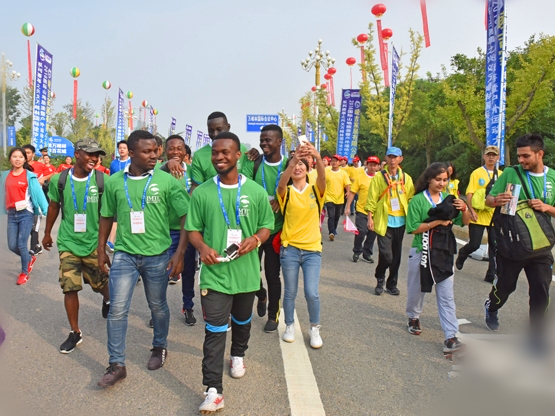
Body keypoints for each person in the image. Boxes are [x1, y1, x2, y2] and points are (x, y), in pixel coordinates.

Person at [185, 132, 273, 414]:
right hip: (214, 274)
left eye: (225, 152)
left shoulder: (256, 192)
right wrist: (201, 247)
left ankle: (238, 354)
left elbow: (266, 226)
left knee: (242, 321)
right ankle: (213, 390)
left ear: (238, 155)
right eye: (215, 153)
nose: (219, 157)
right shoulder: (202, 192)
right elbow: (192, 230)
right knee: (214, 331)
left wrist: (256, 240)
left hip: (246, 274)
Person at [96, 130, 189, 388]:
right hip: (125, 254)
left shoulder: (168, 181)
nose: (154, 155)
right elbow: (106, 215)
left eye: (155, 151)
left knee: (157, 306)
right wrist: (101, 247)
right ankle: (117, 364)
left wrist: (179, 253)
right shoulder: (115, 181)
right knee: (117, 309)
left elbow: (186, 217)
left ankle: (159, 346)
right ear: (132, 153)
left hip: (157, 256)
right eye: (147, 151)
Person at [484, 134, 555, 349]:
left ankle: (536, 336)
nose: (521, 160)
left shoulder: (552, 178)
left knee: (541, 289)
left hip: (540, 245)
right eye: (519, 156)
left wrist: (547, 208)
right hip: (512, 244)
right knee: (505, 287)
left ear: (539, 154)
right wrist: (497, 200)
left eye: (526, 156)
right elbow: (488, 200)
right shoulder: (510, 173)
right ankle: (492, 306)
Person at [42, 139, 111, 354]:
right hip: (68, 242)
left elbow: (109, 214)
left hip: (93, 243)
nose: (95, 158)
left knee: (100, 283)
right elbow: (54, 206)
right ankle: (75, 332)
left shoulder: (103, 180)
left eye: (97, 155)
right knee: (69, 287)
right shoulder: (59, 180)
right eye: (90, 154)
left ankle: (108, 300)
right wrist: (46, 233)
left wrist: (104, 246)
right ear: (78, 153)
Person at [405, 162, 470, 354]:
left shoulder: (450, 199)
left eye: (445, 180)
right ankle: (413, 316)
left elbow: (464, 222)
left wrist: (464, 208)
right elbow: (413, 228)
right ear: (429, 179)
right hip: (421, 250)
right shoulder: (417, 200)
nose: (442, 183)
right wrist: (438, 222)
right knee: (417, 290)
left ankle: (451, 337)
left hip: (443, 252)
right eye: (438, 179)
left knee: (447, 296)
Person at [277, 142, 326, 348]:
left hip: (312, 250)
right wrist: (295, 158)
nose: (297, 168)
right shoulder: (285, 192)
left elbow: (323, 177)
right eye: (294, 165)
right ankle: (289, 325)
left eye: (302, 165)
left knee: (311, 292)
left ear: (308, 170)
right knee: (290, 292)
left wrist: (317, 157)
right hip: (289, 250)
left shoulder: (316, 190)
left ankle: (314, 328)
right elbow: (281, 184)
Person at [241, 124, 286, 333]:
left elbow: (298, 184)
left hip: (277, 231)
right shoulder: (254, 162)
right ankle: (261, 294)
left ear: (279, 142)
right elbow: (243, 185)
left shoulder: (289, 164)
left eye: (268, 140)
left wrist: (280, 197)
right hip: (255, 230)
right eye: (262, 140)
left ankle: (273, 315)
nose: (263, 143)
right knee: (250, 272)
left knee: (272, 274)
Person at [159, 135, 198, 326]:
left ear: (185, 152)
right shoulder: (160, 171)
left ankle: (188, 305)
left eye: (179, 148)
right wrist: (166, 167)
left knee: (188, 270)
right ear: (165, 151)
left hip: (187, 230)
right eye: (171, 148)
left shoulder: (192, 171)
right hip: (163, 231)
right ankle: (158, 310)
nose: (175, 152)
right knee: (160, 272)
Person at [366, 147, 415, 296]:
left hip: (400, 222)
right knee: (386, 255)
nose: (392, 160)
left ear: (401, 159)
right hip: (383, 220)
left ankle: (391, 284)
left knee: (396, 256)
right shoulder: (378, 178)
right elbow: (372, 199)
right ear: (386, 159)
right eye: (390, 157)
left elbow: (411, 199)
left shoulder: (406, 178)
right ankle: (380, 278)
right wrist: (370, 218)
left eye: (396, 157)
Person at [1, 147, 48, 285]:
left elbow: (39, 195)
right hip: (11, 213)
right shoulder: (5, 175)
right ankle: (29, 258)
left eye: (20, 157)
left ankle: (24, 273)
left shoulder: (29, 176)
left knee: (21, 244)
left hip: (26, 213)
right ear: (10, 159)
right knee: (11, 245)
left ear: (24, 159)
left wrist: (46, 211)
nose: (17, 159)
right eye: (14, 157)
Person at [455, 146, 501, 283]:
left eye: (494, 155)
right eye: (489, 155)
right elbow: (469, 193)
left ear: (498, 157)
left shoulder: (502, 174)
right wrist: (471, 210)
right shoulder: (477, 173)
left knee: (495, 246)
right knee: (475, 244)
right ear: (484, 157)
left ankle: (491, 274)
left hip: (494, 215)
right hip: (478, 214)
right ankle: (463, 253)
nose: (491, 157)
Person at [345, 156, 380, 263]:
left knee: (372, 233)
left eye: (375, 165)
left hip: (376, 211)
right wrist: (348, 206)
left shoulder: (380, 178)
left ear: (378, 167)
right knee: (361, 231)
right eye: (370, 165)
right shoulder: (360, 178)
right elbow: (352, 192)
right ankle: (357, 251)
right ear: (366, 165)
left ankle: (367, 254)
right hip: (361, 210)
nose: (372, 167)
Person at [22, 144, 54, 255]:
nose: (26, 155)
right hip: (21, 201)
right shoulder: (19, 165)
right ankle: (37, 245)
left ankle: (33, 248)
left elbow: (53, 172)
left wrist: (43, 178)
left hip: (35, 199)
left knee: (34, 225)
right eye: (24, 152)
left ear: (33, 154)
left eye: (28, 152)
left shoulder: (39, 165)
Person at [106, 140, 131, 253]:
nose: (121, 150)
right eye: (120, 148)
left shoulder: (132, 162)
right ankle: (111, 242)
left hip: (130, 193)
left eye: (124, 148)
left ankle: (126, 241)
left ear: (128, 150)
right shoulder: (113, 163)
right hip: (117, 193)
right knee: (115, 218)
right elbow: (111, 178)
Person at [324, 155, 351, 241]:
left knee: (337, 216)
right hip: (329, 197)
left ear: (339, 162)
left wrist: (348, 191)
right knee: (331, 215)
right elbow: (322, 182)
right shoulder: (326, 172)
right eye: (333, 161)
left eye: (336, 161)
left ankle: (334, 229)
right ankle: (331, 232)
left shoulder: (343, 173)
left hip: (339, 198)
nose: (334, 162)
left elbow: (347, 184)